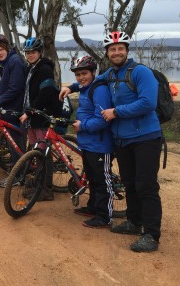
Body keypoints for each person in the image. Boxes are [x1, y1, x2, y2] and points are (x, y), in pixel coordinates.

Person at [61, 31, 163, 252]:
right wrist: (71, 87)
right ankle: (134, 222)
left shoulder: (141, 72)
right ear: (107, 53)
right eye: (112, 49)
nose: (116, 52)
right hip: (123, 140)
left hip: (146, 137)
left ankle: (152, 234)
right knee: (130, 183)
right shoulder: (110, 74)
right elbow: (89, 80)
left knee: (146, 185)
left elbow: (148, 103)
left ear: (126, 50)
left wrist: (116, 111)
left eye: (120, 48)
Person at [68, 55, 115, 228]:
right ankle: (93, 208)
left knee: (102, 181)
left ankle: (105, 216)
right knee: (93, 179)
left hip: (100, 144)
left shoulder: (99, 89)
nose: (81, 78)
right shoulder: (85, 88)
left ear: (93, 72)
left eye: (84, 73)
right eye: (78, 74)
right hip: (88, 143)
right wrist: (71, 87)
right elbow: (79, 86)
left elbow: (103, 119)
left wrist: (83, 126)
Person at [18, 37, 62, 200]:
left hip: (41, 116)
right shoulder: (32, 68)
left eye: (33, 52)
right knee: (36, 151)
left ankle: (46, 189)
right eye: (28, 53)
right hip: (32, 117)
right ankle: (38, 182)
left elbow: (46, 94)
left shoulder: (44, 69)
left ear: (40, 53)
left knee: (44, 153)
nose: (30, 55)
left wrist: (29, 111)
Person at [0, 34, 27, 188]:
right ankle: (17, 171)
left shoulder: (15, 61)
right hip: (9, 108)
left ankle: (18, 176)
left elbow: (16, 87)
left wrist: (0, 101)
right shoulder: (7, 62)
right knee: (13, 142)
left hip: (15, 109)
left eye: (1, 49)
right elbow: (4, 86)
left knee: (15, 143)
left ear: (7, 48)